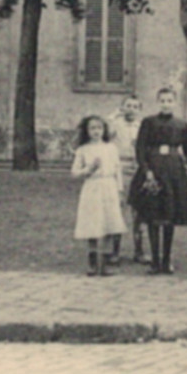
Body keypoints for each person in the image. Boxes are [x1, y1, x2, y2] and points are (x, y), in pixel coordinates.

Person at [133, 88, 187, 275]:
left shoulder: (182, 124)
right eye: (163, 100)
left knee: (169, 216)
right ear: (158, 102)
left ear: (174, 102)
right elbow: (140, 149)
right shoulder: (148, 122)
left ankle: (167, 260)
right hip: (154, 169)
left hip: (174, 172)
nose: (166, 104)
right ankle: (155, 260)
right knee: (153, 216)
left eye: (169, 100)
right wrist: (146, 171)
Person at [71, 115, 126, 277]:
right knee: (93, 223)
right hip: (92, 187)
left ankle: (105, 262)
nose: (96, 131)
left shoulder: (111, 148)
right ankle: (92, 262)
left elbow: (118, 171)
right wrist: (88, 170)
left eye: (99, 128)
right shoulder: (83, 150)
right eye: (92, 128)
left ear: (104, 130)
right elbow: (74, 173)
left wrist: (120, 191)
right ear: (87, 131)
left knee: (110, 222)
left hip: (109, 186)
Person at [105, 95, 145, 266]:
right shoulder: (114, 125)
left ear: (139, 110)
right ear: (122, 107)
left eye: (135, 106)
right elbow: (104, 135)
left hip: (137, 170)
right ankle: (114, 252)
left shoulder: (143, 126)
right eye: (128, 105)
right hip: (119, 170)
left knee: (139, 213)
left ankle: (139, 251)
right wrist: (113, 116)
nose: (131, 109)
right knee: (117, 211)